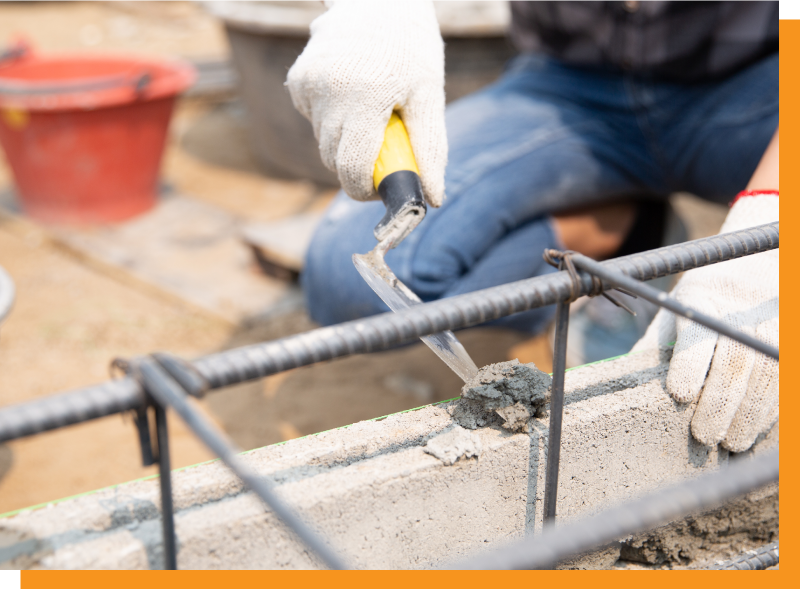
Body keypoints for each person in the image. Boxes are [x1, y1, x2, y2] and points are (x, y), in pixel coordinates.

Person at [285, 0, 778, 452]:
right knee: (345, 281)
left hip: (752, 86)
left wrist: (768, 225)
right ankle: (622, 228)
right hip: (570, 83)